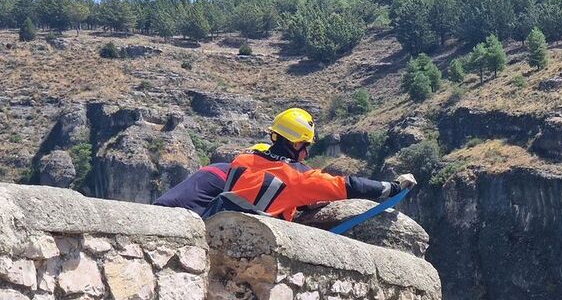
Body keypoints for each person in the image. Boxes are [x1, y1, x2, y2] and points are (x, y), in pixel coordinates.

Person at [155, 108, 415, 220]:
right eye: (306, 146)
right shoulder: (299, 176)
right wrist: (392, 187)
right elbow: (347, 185)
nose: (306, 153)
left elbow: (262, 190)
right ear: (297, 144)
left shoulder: (243, 160)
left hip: (215, 222)